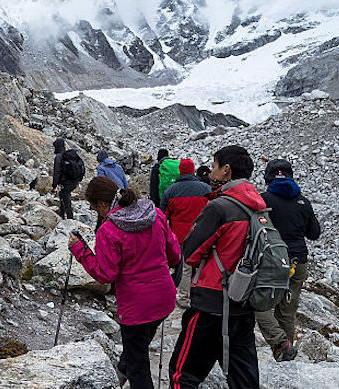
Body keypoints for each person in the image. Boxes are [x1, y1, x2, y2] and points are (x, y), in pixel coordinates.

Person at [69, 177, 180, 389]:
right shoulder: (155, 214)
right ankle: (121, 370)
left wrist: (79, 250)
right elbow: (174, 255)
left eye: (94, 208)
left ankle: (127, 371)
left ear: (102, 205)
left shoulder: (109, 230)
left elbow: (105, 274)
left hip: (135, 308)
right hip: (164, 299)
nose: (97, 213)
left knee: (139, 364)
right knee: (138, 347)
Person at [168, 145, 263, 389]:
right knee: (244, 380)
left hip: (210, 305)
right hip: (243, 304)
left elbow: (189, 252)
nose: (212, 172)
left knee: (183, 375)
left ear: (226, 170)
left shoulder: (220, 207)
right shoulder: (259, 206)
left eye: (214, 166)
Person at [255, 159, 321, 362]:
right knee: (287, 311)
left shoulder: (262, 200)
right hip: (297, 260)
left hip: (272, 261)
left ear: (267, 178)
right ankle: (286, 354)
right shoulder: (302, 201)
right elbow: (314, 233)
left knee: (259, 305)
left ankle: (278, 341)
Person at [160, 158, 212, 308]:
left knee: (186, 267)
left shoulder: (170, 190)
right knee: (203, 265)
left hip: (181, 236)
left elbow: (163, 216)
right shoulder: (205, 188)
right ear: (193, 170)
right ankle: (202, 296)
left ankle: (184, 298)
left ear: (180, 171)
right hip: (202, 234)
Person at [52, 139, 85, 220]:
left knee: (65, 197)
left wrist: (54, 185)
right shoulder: (70, 156)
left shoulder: (59, 157)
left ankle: (69, 218)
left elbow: (57, 172)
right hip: (74, 181)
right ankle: (62, 214)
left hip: (66, 182)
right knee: (63, 194)